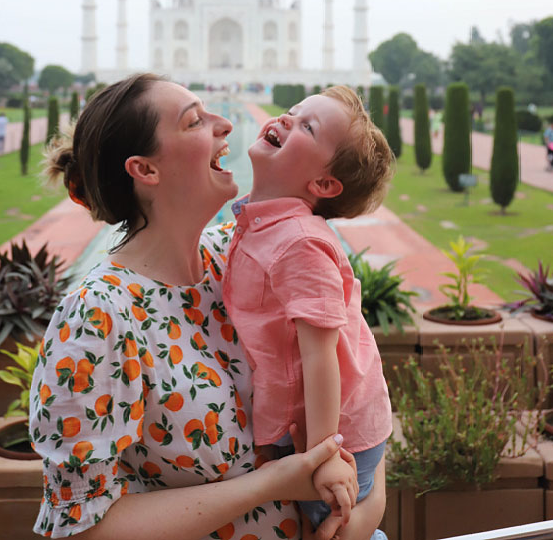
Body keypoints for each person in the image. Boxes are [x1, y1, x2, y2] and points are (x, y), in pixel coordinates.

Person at [31, 74, 386, 540]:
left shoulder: (242, 256)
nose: (225, 123)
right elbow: (81, 528)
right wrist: (276, 482)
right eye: (195, 120)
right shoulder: (98, 318)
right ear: (146, 170)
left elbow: (359, 390)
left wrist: (359, 519)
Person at [223, 86, 394, 533]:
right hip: (313, 423)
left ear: (322, 184)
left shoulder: (300, 242)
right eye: (293, 112)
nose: (285, 119)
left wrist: (324, 455)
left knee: (337, 528)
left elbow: (321, 355)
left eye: (307, 126)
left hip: (337, 435)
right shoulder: (263, 225)